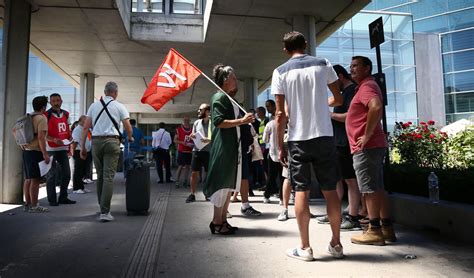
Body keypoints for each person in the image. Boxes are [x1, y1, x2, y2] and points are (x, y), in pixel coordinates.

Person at [273, 31, 344, 260]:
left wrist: (279, 146)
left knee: (300, 190)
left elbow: (280, 114)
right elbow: (339, 99)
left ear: (285, 50)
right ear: (305, 44)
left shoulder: (280, 71)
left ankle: (305, 248)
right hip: (324, 135)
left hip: (298, 139)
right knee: (330, 190)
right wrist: (321, 105)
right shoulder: (323, 63)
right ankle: (336, 244)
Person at [346, 56, 396, 245]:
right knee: (377, 187)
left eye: (355, 66)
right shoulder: (366, 87)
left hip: (367, 147)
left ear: (367, 68)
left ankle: (373, 230)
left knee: (368, 189)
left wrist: (366, 135)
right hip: (372, 146)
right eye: (350, 66)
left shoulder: (367, 86)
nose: (351, 69)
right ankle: (386, 228)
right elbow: (355, 116)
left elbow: (375, 107)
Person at [204, 64, 255, 235]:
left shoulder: (228, 98)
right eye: (233, 77)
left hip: (232, 147)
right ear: (225, 81)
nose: (236, 80)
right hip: (224, 148)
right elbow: (218, 121)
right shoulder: (219, 97)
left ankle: (222, 220)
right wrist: (242, 121)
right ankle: (217, 221)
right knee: (222, 186)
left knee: (228, 185)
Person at [317, 64, 362, 230]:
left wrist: (329, 115)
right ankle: (334, 214)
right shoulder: (343, 93)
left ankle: (353, 217)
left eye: (333, 81)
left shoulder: (352, 91)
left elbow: (351, 116)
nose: (331, 85)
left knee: (351, 180)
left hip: (346, 142)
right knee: (337, 180)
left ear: (340, 77)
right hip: (338, 142)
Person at [80, 81, 133, 222]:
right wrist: (130, 137)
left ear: (105, 92)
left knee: (101, 176)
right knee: (108, 177)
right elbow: (128, 127)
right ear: (115, 93)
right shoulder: (119, 106)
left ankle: (102, 206)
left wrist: (83, 147)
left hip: (96, 142)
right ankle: (105, 212)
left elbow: (86, 127)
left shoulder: (94, 105)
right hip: (112, 141)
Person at [18, 96, 50, 212]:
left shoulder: (28, 117)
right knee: (35, 180)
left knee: (28, 178)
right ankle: (34, 205)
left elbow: (14, 131)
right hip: (36, 152)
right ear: (44, 107)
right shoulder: (42, 118)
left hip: (26, 151)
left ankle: (28, 204)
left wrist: (21, 143)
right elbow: (41, 137)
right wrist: (45, 153)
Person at [45, 93, 76, 206]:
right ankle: (52, 199)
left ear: (61, 101)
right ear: (50, 102)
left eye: (58, 100)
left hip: (63, 147)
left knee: (67, 174)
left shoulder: (66, 114)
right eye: (53, 101)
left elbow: (67, 130)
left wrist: (70, 140)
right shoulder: (46, 115)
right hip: (51, 148)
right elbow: (42, 134)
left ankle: (63, 197)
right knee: (51, 175)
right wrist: (53, 139)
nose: (56, 103)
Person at [186, 103, 212, 203]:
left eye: (200, 109)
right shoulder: (196, 123)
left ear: (207, 111)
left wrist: (209, 139)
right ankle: (192, 194)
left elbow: (216, 136)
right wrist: (192, 136)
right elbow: (194, 134)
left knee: (208, 173)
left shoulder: (213, 123)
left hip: (209, 151)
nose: (198, 111)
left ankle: (208, 193)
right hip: (197, 151)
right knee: (194, 173)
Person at [262, 99, 283, 204]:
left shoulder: (269, 124)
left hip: (272, 153)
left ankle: (266, 196)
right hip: (283, 152)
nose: (268, 109)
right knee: (283, 176)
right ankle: (282, 198)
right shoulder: (286, 122)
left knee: (271, 176)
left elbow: (264, 139)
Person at [71, 115, 92, 194]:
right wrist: (73, 153)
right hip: (78, 151)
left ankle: (81, 187)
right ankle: (76, 188)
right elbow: (75, 142)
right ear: (81, 121)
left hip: (85, 151)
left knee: (82, 170)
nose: (87, 122)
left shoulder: (85, 129)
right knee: (78, 170)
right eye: (85, 121)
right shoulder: (77, 129)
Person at [174, 116, 194, 188]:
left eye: (187, 120)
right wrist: (183, 143)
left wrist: (193, 144)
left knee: (188, 166)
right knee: (180, 165)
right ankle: (177, 181)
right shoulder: (178, 129)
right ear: (183, 121)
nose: (186, 121)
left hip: (189, 151)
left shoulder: (192, 130)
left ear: (190, 121)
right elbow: (175, 140)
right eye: (185, 120)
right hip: (181, 150)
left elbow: (195, 139)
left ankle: (186, 180)